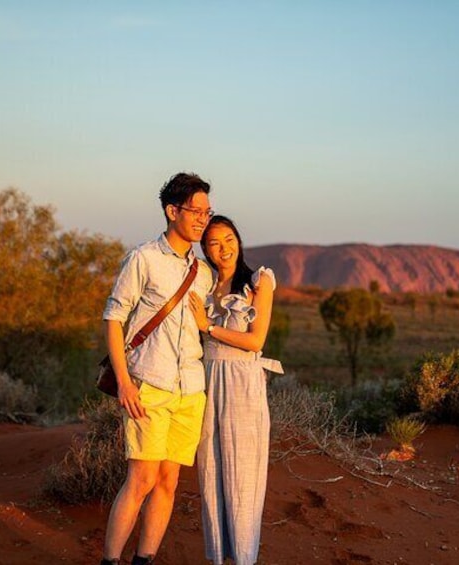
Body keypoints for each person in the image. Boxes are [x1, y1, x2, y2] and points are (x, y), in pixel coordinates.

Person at [101, 172, 215, 565]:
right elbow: (113, 319)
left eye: (207, 211)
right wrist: (124, 383)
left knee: (168, 483)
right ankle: (110, 560)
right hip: (149, 385)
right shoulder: (143, 258)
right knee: (142, 480)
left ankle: (144, 559)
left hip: (190, 391)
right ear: (172, 211)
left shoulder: (203, 272)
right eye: (195, 210)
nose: (202, 218)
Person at [188, 215, 284, 565]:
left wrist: (208, 327)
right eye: (214, 242)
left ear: (238, 240)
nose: (223, 248)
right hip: (207, 382)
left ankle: (244, 559)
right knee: (211, 473)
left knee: (242, 474)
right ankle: (217, 558)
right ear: (206, 250)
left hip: (242, 384)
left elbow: (256, 339)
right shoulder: (204, 288)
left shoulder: (259, 282)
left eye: (228, 239)